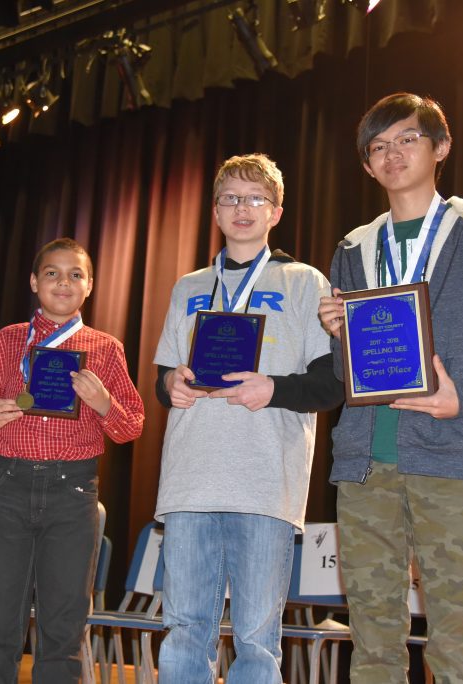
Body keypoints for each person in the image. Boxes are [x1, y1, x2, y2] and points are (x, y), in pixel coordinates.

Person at [317, 93, 463, 683]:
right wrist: (339, 335)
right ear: (367, 165)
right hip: (365, 466)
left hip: (453, 458)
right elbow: (347, 375)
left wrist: (461, 398)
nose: (391, 154)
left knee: (457, 643)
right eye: (378, 146)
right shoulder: (354, 247)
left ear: (441, 148)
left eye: (407, 139)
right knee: (372, 643)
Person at [153, 153, 344, 683]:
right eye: (231, 198)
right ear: (215, 211)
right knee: (184, 630)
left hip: (265, 483)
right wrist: (170, 385)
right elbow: (165, 375)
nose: (243, 208)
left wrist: (272, 388)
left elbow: (331, 383)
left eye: (256, 198)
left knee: (257, 643)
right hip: (189, 481)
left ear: (276, 212)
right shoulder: (188, 285)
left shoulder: (304, 281)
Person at [0, 237, 145, 683]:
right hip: (8, 485)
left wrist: (103, 403)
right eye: (52, 273)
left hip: (73, 491)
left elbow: (131, 426)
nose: (63, 282)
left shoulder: (106, 348)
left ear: (90, 286)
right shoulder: (8, 340)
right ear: (34, 282)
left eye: (75, 275)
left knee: (64, 619)